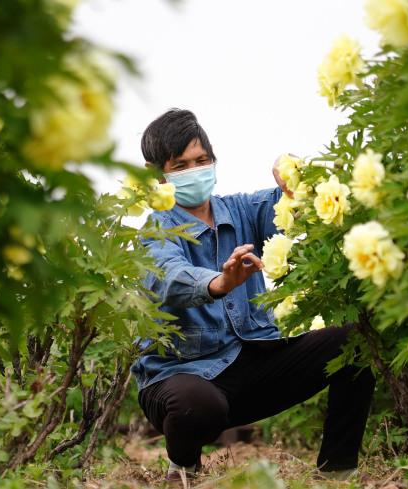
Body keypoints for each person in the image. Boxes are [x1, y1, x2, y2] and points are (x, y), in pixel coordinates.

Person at [130, 108, 375, 484]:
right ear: (157, 175)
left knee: (353, 342)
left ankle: (337, 470)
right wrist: (220, 283)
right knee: (197, 406)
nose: (194, 171)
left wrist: (294, 175)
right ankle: (184, 468)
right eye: (180, 166)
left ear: (214, 161)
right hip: (181, 376)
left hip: (250, 363)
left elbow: (289, 203)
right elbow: (171, 278)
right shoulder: (154, 231)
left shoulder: (242, 210)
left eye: (202, 160)